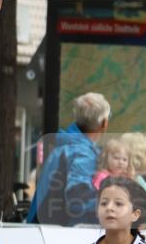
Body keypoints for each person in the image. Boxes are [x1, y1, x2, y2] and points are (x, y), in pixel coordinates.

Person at [27, 92, 109, 226]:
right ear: (104, 123)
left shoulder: (65, 143)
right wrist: (116, 205)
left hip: (44, 229)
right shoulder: (82, 153)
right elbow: (78, 200)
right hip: (61, 235)